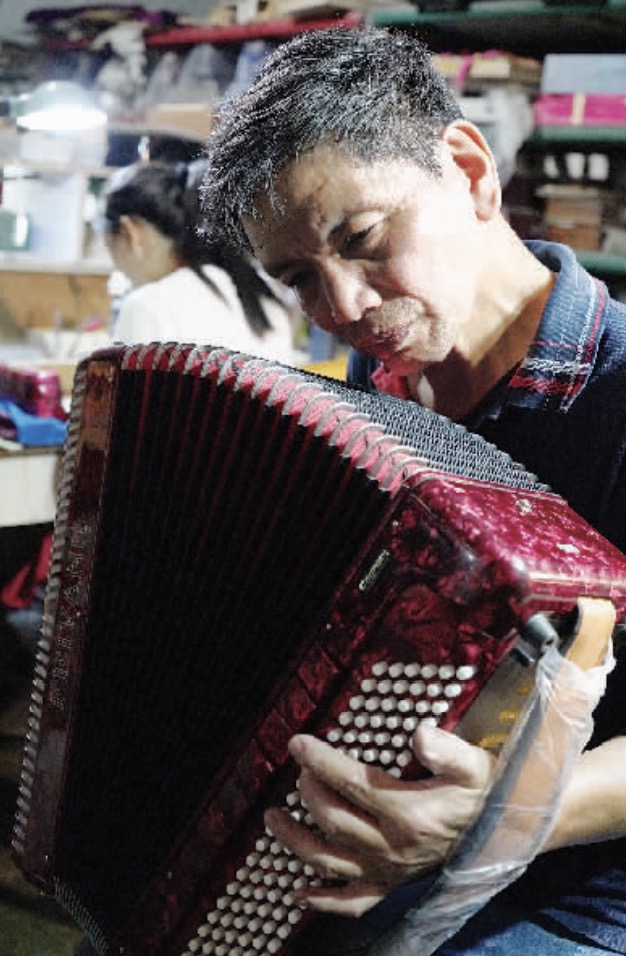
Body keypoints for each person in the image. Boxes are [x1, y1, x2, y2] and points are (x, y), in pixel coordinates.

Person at [197, 25, 626, 956]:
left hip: (582, 888)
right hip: (388, 846)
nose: (345, 307)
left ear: (469, 172)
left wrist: (509, 815)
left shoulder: (619, 389)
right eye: (300, 278)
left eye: (362, 239)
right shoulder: (376, 387)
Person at [101, 159, 298, 363]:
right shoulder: (267, 305)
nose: (121, 272)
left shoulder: (148, 307)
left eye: (110, 250)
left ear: (130, 234)